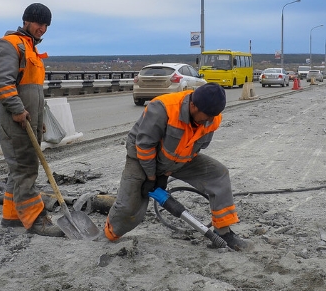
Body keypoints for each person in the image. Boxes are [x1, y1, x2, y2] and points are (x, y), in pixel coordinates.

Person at [104, 83, 248, 250]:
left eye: (213, 116)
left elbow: (193, 149)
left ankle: (224, 233)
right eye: (207, 116)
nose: (209, 121)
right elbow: (144, 146)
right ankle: (109, 235)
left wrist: (166, 173)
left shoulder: (212, 119)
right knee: (129, 207)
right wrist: (151, 177)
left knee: (219, 174)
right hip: (141, 157)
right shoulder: (163, 108)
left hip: (176, 160)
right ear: (193, 105)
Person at [0, 3, 64, 237]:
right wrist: (16, 110)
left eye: (46, 25)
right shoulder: (9, 45)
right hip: (15, 118)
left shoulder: (31, 49)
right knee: (25, 167)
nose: (42, 28)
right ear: (26, 21)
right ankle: (36, 219)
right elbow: (3, 83)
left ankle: (12, 216)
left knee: (19, 168)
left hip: (28, 118)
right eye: (38, 23)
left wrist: (39, 118)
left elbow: (33, 90)